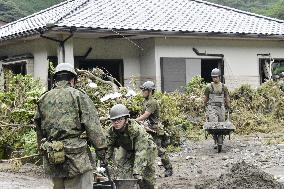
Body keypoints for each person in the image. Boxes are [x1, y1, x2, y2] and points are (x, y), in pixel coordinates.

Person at [34, 63, 107, 189]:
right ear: (73, 79)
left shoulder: (43, 98)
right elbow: (92, 125)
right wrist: (101, 149)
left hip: (54, 157)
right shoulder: (78, 96)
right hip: (77, 158)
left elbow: (38, 127)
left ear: (55, 79)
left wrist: (43, 149)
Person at [107, 104, 157, 189]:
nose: (116, 122)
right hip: (128, 149)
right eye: (114, 120)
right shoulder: (112, 131)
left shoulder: (137, 130)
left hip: (147, 149)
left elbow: (141, 151)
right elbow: (108, 147)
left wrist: (137, 172)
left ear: (126, 120)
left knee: (147, 179)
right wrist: (105, 163)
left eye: (120, 119)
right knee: (124, 177)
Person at [136, 81, 173, 177]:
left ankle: (169, 168)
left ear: (150, 91)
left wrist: (135, 120)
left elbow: (146, 115)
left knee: (158, 150)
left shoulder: (152, 102)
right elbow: (143, 115)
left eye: (144, 90)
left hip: (154, 129)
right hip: (147, 128)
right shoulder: (145, 102)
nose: (142, 92)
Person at [204, 68, 231, 148]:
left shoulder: (224, 87)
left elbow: (227, 97)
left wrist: (229, 106)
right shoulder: (209, 87)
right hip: (212, 107)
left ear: (219, 77)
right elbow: (206, 97)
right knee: (214, 125)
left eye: (216, 77)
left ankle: (220, 139)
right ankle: (215, 141)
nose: (214, 78)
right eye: (213, 77)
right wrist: (204, 105)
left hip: (221, 107)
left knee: (221, 125)